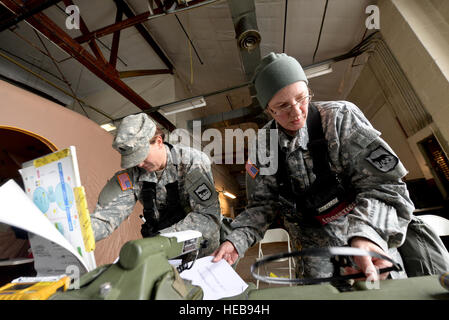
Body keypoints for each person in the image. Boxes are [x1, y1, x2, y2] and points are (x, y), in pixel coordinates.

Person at [212, 52, 418, 281]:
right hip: (314, 259)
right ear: (268, 110)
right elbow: (262, 205)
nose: (297, 111)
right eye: (282, 106)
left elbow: (385, 188)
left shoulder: (341, 119)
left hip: (369, 244)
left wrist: (367, 237)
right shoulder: (264, 145)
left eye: (302, 98)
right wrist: (236, 240)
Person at [90, 113, 222, 256]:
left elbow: (209, 217)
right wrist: (78, 237)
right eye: (134, 159)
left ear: (159, 141)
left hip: (201, 251)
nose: (139, 163)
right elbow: (106, 217)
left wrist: (159, 240)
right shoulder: (133, 175)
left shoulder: (192, 161)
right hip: (164, 253)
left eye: (142, 155)